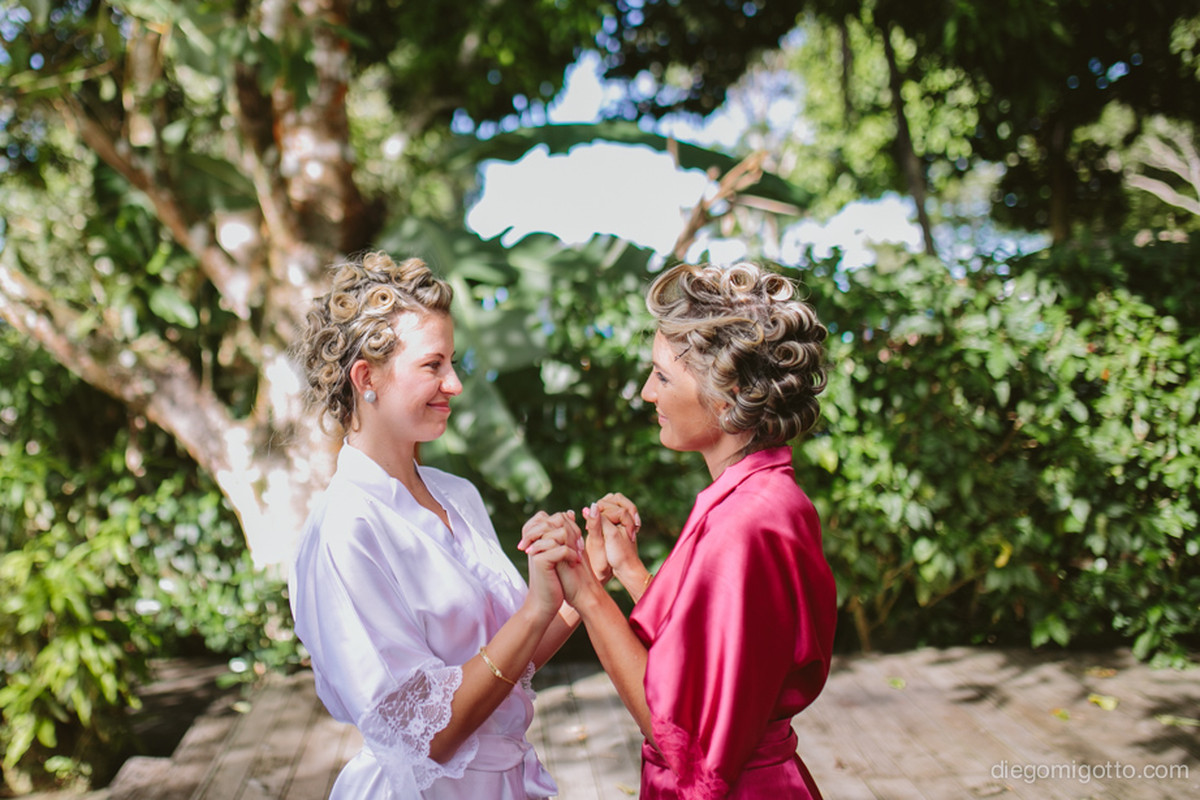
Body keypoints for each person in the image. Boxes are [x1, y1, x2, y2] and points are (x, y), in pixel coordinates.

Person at [528, 261, 838, 799]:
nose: (648, 393)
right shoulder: (761, 496)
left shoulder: (746, 524)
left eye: (663, 376)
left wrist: (585, 590)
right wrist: (628, 570)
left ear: (727, 393)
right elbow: (710, 662)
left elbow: (681, 735)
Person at [287, 251, 585, 799]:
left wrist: (581, 582)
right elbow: (429, 738)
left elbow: (510, 667)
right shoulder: (344, 533)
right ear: (366, 377)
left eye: (452, 364)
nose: (455, 384)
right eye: (433, 365)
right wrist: (538, 608)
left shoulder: (457, 494)